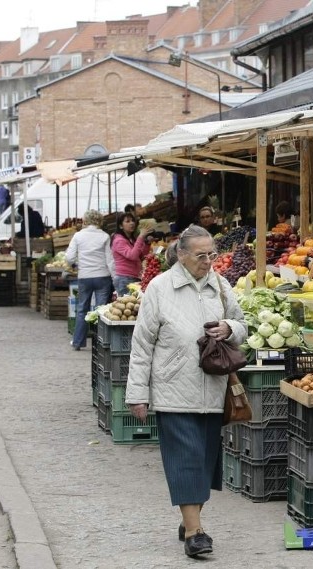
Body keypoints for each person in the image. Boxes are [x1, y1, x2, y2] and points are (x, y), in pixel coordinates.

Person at [125, 224, 246, 559]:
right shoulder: (160, 289)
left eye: (212, 254)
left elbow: (242, 323)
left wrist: (230, 328)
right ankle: (195, 532)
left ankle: (189, 517)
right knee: (186, 460)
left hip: (212, 387)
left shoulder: (220, 286)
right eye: (200, 256)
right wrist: (137, 393)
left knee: (205, 461)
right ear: (181, 255)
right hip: (173, 388)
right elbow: (142, 344)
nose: (208, 261)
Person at [66, 210, 115, 350]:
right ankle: (100, 343)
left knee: (82, 309)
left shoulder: (78, 236)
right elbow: (109, 260)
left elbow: (69, 258)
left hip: (84, 277)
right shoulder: (105, 236)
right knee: (101, 310)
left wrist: (75, 264)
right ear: (100, 221)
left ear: (85, 221)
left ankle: (78, 342)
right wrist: (114, 278)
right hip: (102, 276)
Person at [111, 212, 152, 297]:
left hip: (133, 276)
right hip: (124, 278)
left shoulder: (131, 239)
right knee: (128, 306)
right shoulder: (118, 240)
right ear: (120, 226)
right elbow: (132, 256)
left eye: (133, 221)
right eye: (128, 221)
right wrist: (140, 237)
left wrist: (147, 243)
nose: (132, 223)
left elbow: (141, 256)